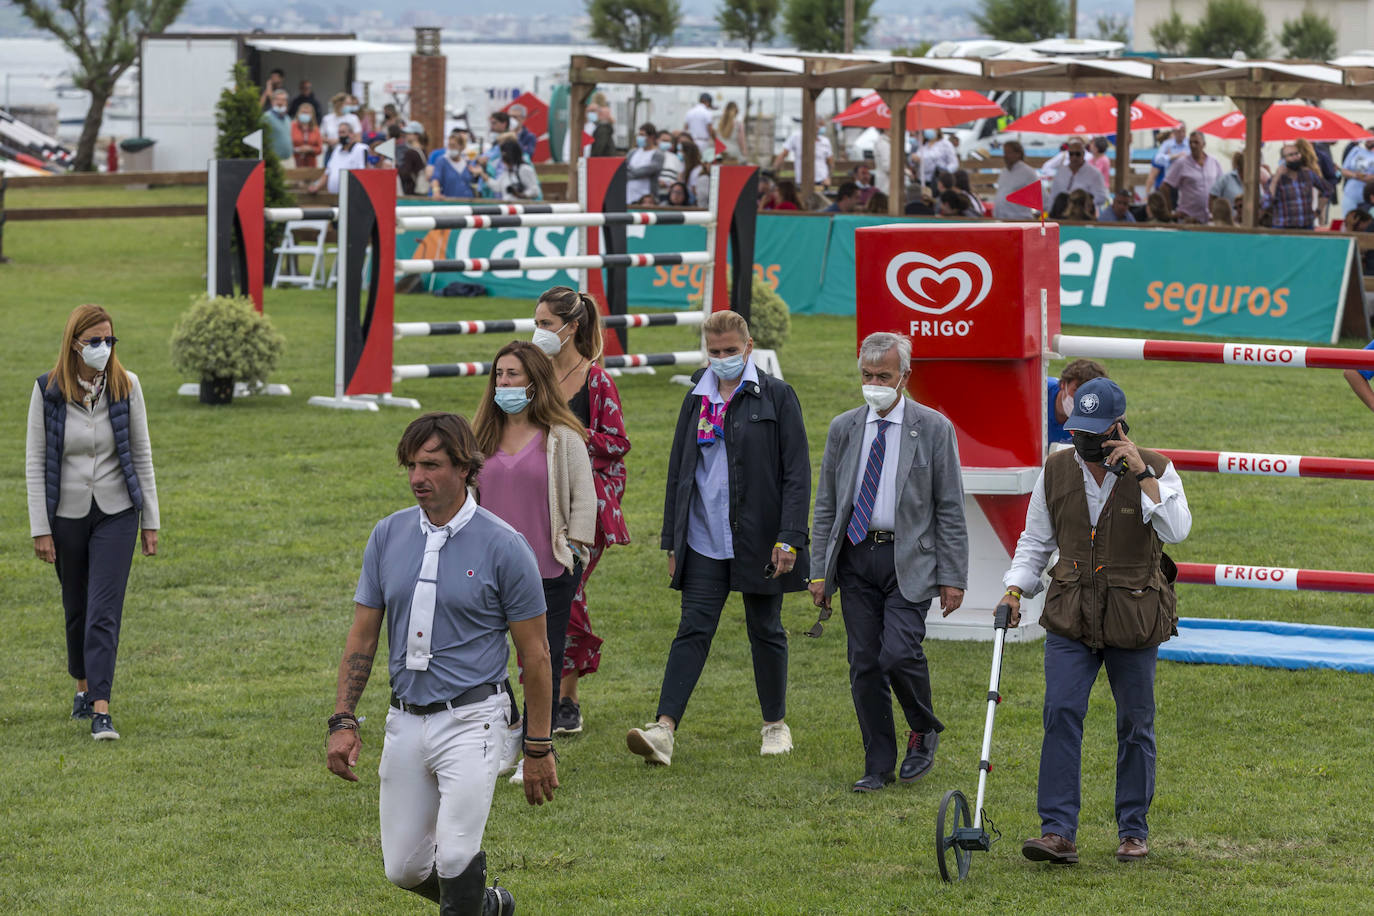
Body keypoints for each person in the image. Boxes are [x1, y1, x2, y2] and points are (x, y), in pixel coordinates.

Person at [326, 412, 555, 914]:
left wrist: (538, 746)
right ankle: (488, 906)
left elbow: (536, 656)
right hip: (404, 719)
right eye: (410, 466)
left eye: (430, 465)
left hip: (474, 719)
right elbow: (363, 636)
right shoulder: (387, 535)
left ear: (466, 468)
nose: (416, 478)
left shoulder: (505, 546)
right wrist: (343, 719)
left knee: (454, 854)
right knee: (404, 867)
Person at [1003, 378, 1191, 867]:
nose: (1083, 442)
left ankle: (1133, 831)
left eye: (1094, 432)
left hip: (1134, 616)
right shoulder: (1055, 470)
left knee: (1136, 725)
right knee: (1061, 713)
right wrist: (1014, 588)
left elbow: (1178, 530)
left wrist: (1143, 474)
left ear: (1118, 426)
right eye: (1076, 431)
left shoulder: (1158, 467)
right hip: (1070, 614)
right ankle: (1057, 832)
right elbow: (1035, 541)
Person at [626, 310, 811, 766]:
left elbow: (797, 474)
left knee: (765, 629)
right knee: (692, 628)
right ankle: (663, 730)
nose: (723, 358)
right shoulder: (696, 397)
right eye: (715, 352)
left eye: (731, 350)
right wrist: (672, 539)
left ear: (748, 347)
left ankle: (775, 726)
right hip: (703, 538)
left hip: (762, 540)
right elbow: (678, 471)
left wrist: (789, 537)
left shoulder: (778, 396)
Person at [809, 333, 967, 792]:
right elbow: (826, 505)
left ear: (904, 377)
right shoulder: (844, 427)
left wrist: (953, 576)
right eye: (867, 375)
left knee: (897, 653)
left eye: (884, 376)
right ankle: (878, 763)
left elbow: (950, 507)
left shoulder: (934, 428)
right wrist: (819, 569)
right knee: (864, 663)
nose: (874, 384)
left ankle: (922, 726)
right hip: (857, 557)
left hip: (909, 561)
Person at [25, 304, 160, 741]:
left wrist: (150, 521)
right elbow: (34, 461)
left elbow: (142, 454)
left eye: (110, 340)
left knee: (104, 610)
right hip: (66, 514)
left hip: (118, 511)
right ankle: (81, 688)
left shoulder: (127, 386)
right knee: (76, 608)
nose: (104, 348)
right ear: (75, 343)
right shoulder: (47, 390)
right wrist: (40, 528)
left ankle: (102, 708)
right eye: (95, 341)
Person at [471, 341, 594, 784]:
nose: (503, 382)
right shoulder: (478, 437)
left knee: (541, 657)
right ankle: (512, 727)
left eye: (513, 375)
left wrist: (574, 551)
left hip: (548, 569)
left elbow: (585, 500)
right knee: (483, 657)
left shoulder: (563, 436)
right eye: (499, 374)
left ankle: (537, 750)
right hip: (486, 571)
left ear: (535, 381)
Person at [530, 287, 631, 736]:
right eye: (536, 323)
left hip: (586, 506)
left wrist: (571, 433)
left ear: (572, 328)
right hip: (535, 502)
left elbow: (617, 443)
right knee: (537, 596)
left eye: (546, 324)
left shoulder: (596, 381)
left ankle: (565, 698)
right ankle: (540, 691)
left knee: (566, 596)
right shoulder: (530, 376)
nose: (539, 332)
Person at [1162, 131, 1223, 224]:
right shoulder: (1181, 163)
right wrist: (1170, 212)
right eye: (1190, 142)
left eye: (1196, 142)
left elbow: (1220, 186)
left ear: (1204, 144)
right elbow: (1165, 186)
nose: (1193, 145)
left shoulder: (1214, 162)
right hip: (1188, 218)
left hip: (1209, 219)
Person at [1270, 142, 1333, 230]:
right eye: (1291, 155)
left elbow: (1328, 189)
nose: (1295, 157)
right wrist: (1275, 179)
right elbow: (1267, 202)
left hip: (1306, 226)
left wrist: (1318, 211)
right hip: (1282, 227)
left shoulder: (1308, 174)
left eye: (1297, 153)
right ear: (1283, 160)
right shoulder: (1276, 179)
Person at [1045, 358, 1108, 445]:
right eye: (1077, 392)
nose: (1081, 401)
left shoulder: (1096, 419)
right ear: (1063, 384)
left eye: (1089, 397)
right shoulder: (1039, 391)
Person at [772, 118, 834, 189]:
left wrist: (828, 177)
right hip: (803, 181)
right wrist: (774, 170)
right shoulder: (796, 137)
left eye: (823, 126)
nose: (822, 128)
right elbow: (783, 154)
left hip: (822, 181)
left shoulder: (825, 141)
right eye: (821, 125)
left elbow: (830, 162)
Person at [1049, 138, 1109, 209]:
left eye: (1077, 154)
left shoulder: (1094, 173)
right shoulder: (1061, 172)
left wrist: (1083, 203)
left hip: (1083, 213)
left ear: (1083, 154)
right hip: (1061, 212)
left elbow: (1101, 197)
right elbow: (1053, 194)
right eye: (1071, 154)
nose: (1074, 157)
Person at [309, 122, 367, 194]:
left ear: (352, 134)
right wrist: (316, 186)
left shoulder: (361, 149)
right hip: (334, 196)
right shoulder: (337, 149)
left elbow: (364, 172)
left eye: (343, 132)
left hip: (352, 195)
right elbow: (327, 172)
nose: (340, 135)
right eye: (339, 133)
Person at [993, 140, 1042, 220]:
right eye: (1004, 152)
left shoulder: (1028, 172)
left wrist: (1040, 218)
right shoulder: (1004, 171)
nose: (1005, 156)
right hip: (1001, 219)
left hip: (1019, 219)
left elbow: (1042, 197)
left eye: (1009, 152)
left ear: (1018, 154)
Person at [430, 131, 487, 199]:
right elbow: (435, 178)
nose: (451, 148)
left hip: (467, 202)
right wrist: (436, 192)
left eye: (454, 145)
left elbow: (473, 182)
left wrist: (477, 173)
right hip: (450, 203)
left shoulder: (467, 162)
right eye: (449, 145)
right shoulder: (442, 161)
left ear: (462, 147)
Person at [624, 122, 663, 206]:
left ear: (651, 137)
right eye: (639, 135)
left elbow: (646, 171)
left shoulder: (657, 154)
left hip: (646, 200)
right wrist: (633, 172)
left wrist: (631, 172)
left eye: (642, 135)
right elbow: (624, 168)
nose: (639, 137)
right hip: (629, 197)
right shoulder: (633, 152)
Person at [1339, 134, 1374, 219]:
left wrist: (1369, 178)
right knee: (1349, 220)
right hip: (1351, 194)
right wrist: (1356, 175)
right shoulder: (1356, 150)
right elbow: (1344, 170)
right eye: (1367, 137)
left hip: (1368, 197)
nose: (1369, 140)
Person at [320, 92, 361, 161]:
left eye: (350, 104)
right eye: (347, 104)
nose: (349, 106)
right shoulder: (327, 118)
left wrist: (339, 140)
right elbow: (321, 137)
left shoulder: (353, 118)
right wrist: (329, 141)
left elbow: (358, 139)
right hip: (331, 152)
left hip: (348, 152)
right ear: (338, 103)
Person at [1147, 123, 1187, 190]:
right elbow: (1152, 176)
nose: (1181, 134)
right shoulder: (1165, 149)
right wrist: (1172, 156)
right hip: (1165, 185)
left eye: (1183, 131)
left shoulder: (1188, 144)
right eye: (1178, 132)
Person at [260, 88, 294, 163]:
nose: (280, 102)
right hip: (274, 161)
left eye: (283, 100)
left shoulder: (287, 118)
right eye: (277, 99)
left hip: (288, 159)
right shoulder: (266, 117)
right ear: (272, 101)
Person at [397, 121, 429, 196]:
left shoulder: (410, 153)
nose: (406, 135)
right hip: (422, 190)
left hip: (411, 192)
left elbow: (404, 173)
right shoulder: (423, 150)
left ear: (416, 135)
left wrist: (396, 166)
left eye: (409, 133)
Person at [290, 102, 323, 169]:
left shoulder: (315, 129)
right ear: (298, 114)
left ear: (312, 115)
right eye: (303, 112)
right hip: (294, 163)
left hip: (311, 165)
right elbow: (287, 145)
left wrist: (311, 149)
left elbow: (320, 149)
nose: (305, 114)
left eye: (307, 113)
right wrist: (298, 149)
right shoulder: (292, 126)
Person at [655, 131, 684, 198]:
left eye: (668, 141)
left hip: (670, 196)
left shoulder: (675, 158)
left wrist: (672, 185)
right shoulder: (652, 155)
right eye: (664, 140)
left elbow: (679, 177)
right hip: (654, 194)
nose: (666, 143)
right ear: (657, 140)